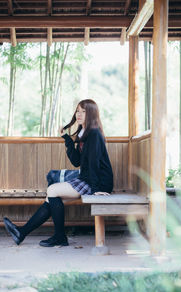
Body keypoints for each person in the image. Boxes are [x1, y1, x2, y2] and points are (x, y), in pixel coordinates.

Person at [3, 99, 113, 247]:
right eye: (77, 111)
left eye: (83, 111)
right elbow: (76, 162)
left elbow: (94, 165)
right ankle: (22, 233)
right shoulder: (84, 134)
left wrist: (96, 191)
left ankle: (59, 236)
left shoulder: (94, 134)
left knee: (52, 190)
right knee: (51, 197)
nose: (79, 114)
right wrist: (67, 139)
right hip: (88, 179)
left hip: (98, 183)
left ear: (91, 114)